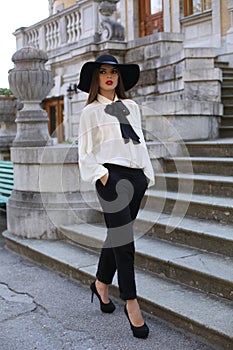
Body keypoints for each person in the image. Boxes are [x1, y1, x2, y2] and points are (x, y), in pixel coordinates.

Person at [77, 54, 155, 339]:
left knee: (117, 235)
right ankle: (131, 303)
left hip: (136, 177)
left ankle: (100, 283)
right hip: (111, 178)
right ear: (96, 78)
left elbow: (140, 141)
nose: (109, 76)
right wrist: (103, 174)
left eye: (114, 72)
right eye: (103, 72)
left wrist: (146, 175)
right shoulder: (90, 112)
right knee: (124, 242)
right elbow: (84, 152)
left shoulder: (131, 107)